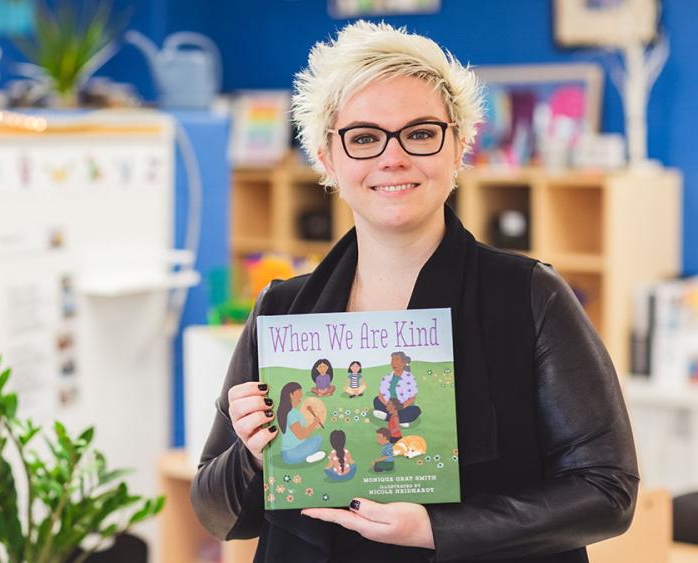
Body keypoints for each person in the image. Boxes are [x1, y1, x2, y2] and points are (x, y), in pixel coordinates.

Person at [190, 20, 638, 563]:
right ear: (327, 158)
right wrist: (253, 455)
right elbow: (215, 513)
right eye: (363, 138)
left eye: (420, 133)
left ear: (459, 146)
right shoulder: (284, 311)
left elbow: (607, 493)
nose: (392, 157)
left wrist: (438, 529)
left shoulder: (530, 297)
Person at [277, 381, 324, 464]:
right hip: (292, 453)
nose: (301, 396)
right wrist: (314, 423)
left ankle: (305, 454)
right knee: (318, 439)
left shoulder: (290, 411)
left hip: (288, 452)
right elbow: (301, 435)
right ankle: (308, 457)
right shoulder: (291, 413)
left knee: (316, 438)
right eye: (299, 393)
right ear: (291, 395)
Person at [372, 351, 422, 424]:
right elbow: (381, 394)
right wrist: (389, 406)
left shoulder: (409, 378)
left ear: (404, 363)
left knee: (416, 410)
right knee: (376, 400)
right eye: (392, 360)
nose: (393, 363)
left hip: (402, 407)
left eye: (397, 360)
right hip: (389, 405)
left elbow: (412, 398)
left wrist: (400, 407)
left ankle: (388, 417)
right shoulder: (387, 377)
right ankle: (400, 419)